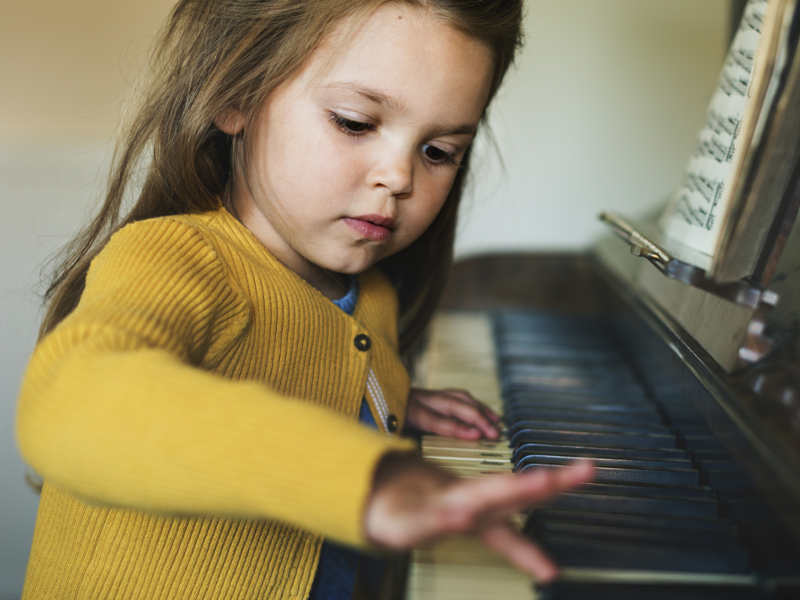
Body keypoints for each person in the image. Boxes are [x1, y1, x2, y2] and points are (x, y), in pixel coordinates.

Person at [16, 1, 594, 598]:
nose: (399, 177)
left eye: (438, 151)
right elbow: (73, 398)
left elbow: (295, 355)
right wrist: (371, 480)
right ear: (235, 96)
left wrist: (380, 395)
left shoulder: (370, 294)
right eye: (353, 122)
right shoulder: (176, 257)